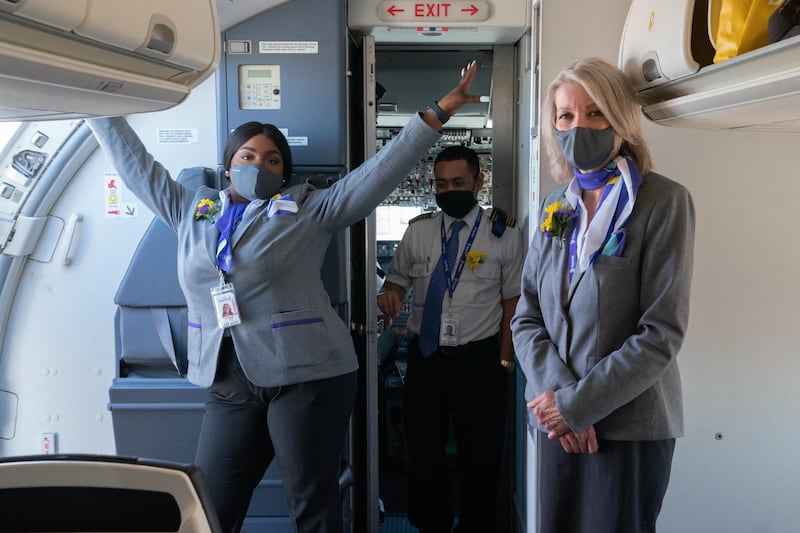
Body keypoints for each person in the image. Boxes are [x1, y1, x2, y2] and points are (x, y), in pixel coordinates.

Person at [87, 61, 483, 533]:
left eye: (272, 159)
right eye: (248, 156)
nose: (259, 165)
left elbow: (379, 172)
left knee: (311, 501)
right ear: (228, 163)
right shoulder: (193, 208)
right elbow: (135, 165)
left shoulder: (309, 209)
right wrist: (95, 100)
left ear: (285, 171)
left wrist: (438, 113)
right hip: (228, 375)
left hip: (307, 375)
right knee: (210, 502)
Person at [510, 57, 695, 533]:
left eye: (595, 113)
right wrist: (558, 401)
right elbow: (527, 317)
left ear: (621, 121)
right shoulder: (556, 205)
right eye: (566, 116)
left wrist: (578, 407)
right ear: (553, 126)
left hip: (628, 426)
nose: (579, 126)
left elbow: (660, 333)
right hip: (556, 422)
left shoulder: (663, 202)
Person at [377, 145, 524, 533]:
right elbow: (396, 279)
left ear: (478, 181)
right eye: (441, 184)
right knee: (424, 453)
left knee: (482, 454)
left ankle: (476, 527)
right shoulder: (419, 231)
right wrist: (388, 292)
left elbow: (514, 302)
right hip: (427, 359)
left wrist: (505, 361)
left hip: (480, 360)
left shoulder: (503, 234)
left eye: (459, 182)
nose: (449, 190)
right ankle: (431, 525)